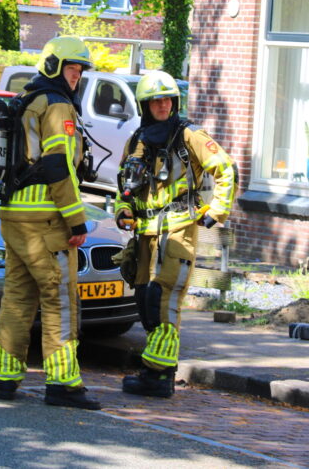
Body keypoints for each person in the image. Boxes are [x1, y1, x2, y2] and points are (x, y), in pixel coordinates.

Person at [0, 36, 100, 410]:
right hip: (44, 218)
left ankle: (5, 376)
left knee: (18, 296)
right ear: (54, 67)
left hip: (15, 214)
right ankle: (64, 383)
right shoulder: (56, 106)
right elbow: (58, 165)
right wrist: (76, 220)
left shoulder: (27, 98)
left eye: (80, 71)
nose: (76, 77)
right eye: (72, 69)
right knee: (60, 299)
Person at [112, 71, 237, 398]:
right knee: (143, 300)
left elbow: (225, 168)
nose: (163, 105)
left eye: (168, 99)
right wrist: (122, 211)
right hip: (144, 234)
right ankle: (154, 371)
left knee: (163, 298)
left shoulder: (190, 135)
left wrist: (215, 212)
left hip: (178, 227)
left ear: (175, 102)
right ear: (146, 105)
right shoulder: (136, 139)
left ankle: (159, 376)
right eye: (156, 100)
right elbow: (124, 184)